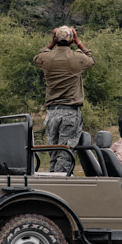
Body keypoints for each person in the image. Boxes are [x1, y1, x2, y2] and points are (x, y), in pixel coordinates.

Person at [32, 25, 94, 173]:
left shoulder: (46, 58)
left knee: (53, 152)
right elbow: (91, 59)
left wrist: (51, 44)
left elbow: (37, 57)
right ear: (72, 40)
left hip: (52, 112)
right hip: (70, 112)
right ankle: (60, 183)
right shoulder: (77, 58)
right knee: (65, 154)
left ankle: (52, 182)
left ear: (56, 39)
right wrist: (79, 42)